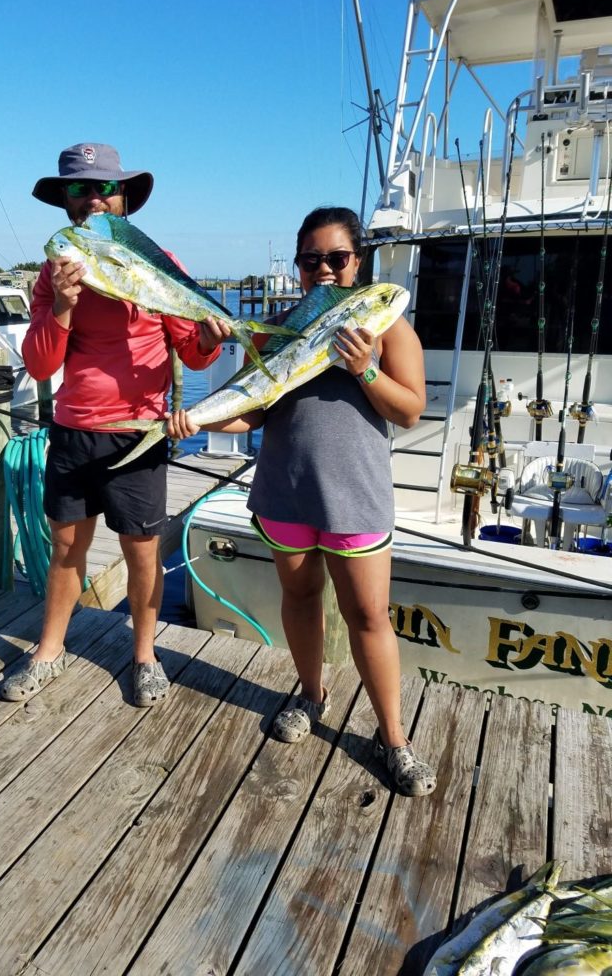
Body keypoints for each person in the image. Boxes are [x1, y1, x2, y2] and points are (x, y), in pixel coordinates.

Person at [167, 206, 436, 796]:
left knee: (369, 617)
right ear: (298, 266)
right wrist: (199, 419)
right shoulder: (277, 329)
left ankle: (395, 738)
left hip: (356, 498)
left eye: (337, 259)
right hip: (284, 492)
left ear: (357, 263)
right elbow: (256, 410)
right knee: (299, 596)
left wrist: (365, 369)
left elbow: (410, 409)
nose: (324, 271)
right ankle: (311, 695)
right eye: (311, 260)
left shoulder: (387, 327)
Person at [1, 143, 230, 705]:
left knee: (142, 553)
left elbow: (192, 350)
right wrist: (61, 306)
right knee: (64, 551)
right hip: (75, 431)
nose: (93, 198)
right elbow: (40, 364)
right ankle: (48, 650)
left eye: (104, 187)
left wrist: (209, 337)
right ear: (66, 203)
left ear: (124, 199)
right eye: (78, 189)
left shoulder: (158, 259)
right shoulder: (52, 275)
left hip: (139, 433)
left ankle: (145, 655)